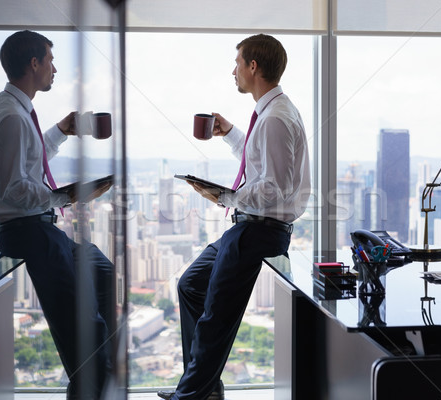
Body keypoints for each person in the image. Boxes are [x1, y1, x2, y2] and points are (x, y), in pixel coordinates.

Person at [158, 34, 310, 400]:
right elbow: (260, 161)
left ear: (253, 67)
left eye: (238, 63)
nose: (234, 71)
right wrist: (230, 134)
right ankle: (204, 387)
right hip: (248, 225)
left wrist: (224, 195)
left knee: (216, 318)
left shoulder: (275, 118)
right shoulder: (270, 113)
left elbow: (274, 187)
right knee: (191, 285)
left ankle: (191, 395)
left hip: (260, 230)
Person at [0, 30, 114, 400]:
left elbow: (29, 164)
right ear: (34, 63)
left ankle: (98, 374)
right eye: (50, 60)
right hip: (27, 230)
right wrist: (64, 196)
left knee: (101, 268)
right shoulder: (10, 117)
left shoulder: (18, 111)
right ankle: (91, 382)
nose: (55, 68)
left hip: (38, 227)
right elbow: (11, 188)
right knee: (83, 324)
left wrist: (62, 130)